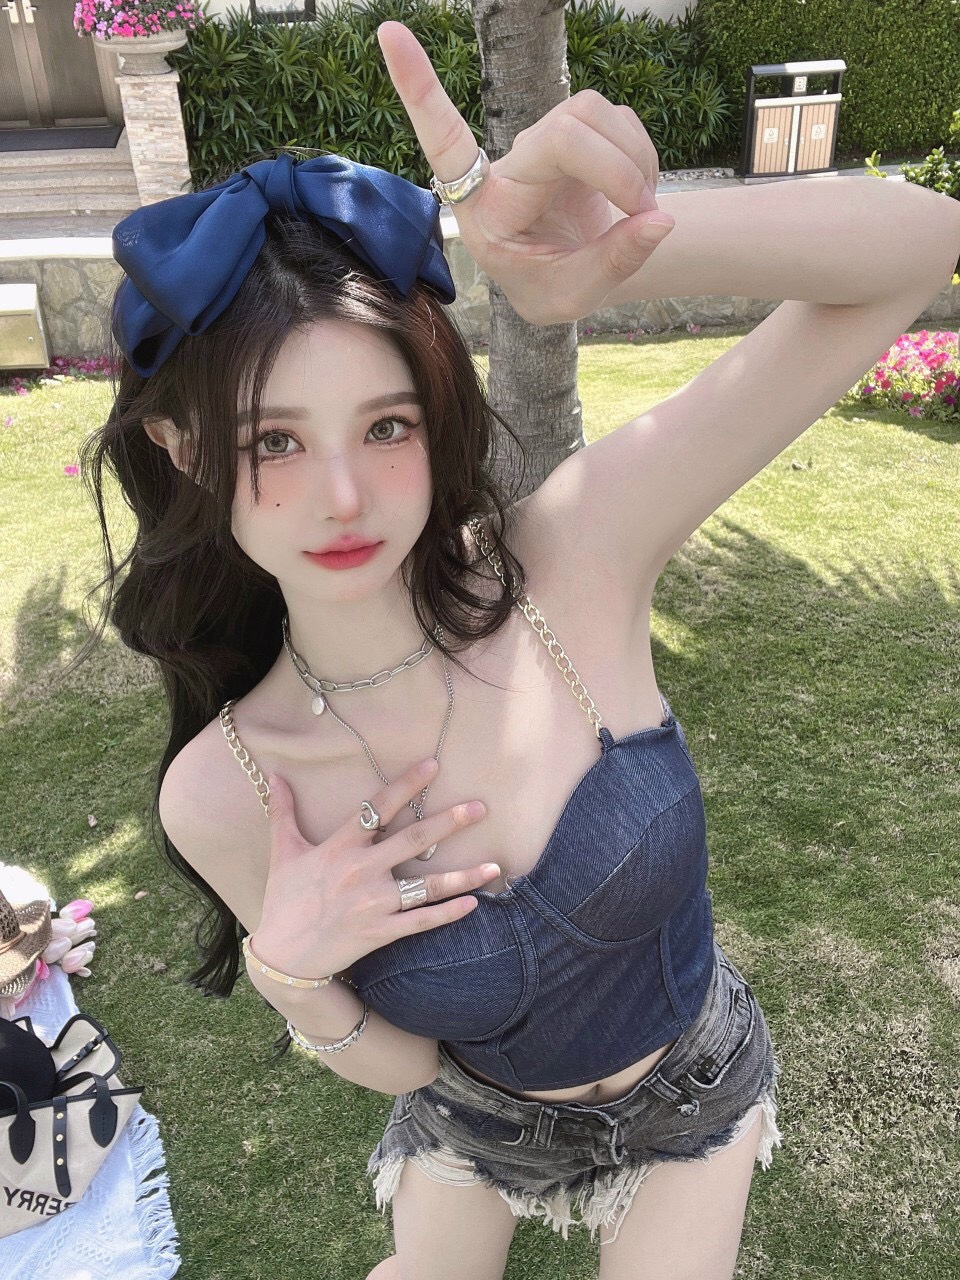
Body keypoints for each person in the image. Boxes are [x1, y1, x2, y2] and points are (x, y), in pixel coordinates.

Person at [74, 20, 960, 1280]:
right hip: (477, 1120)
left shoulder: (575, 558)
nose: (342, 496)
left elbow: (920, 243)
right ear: (185, 449)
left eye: (385, 425)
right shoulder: (228, 789)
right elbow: (407, 1064)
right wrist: (294, 974)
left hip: (692, 1085)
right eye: (275, 440)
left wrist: (597, 272)